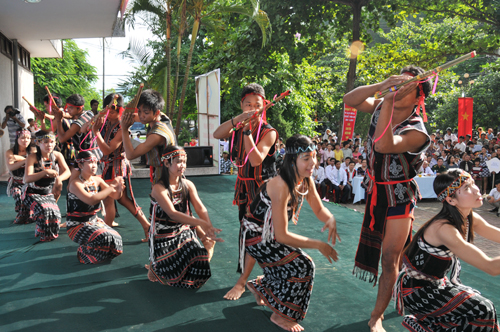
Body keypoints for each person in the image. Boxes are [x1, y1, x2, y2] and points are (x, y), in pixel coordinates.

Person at [343, 65, 431, 332]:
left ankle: (376, 315)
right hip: (374, 191)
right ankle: (411, 280)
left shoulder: (417, 130)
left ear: (419, 97)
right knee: (398, 254)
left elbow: (383, 145)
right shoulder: (382, 104)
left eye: (408, 86)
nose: (400, 88)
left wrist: (388, 98)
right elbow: (350, 100)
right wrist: (382, 85)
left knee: (390, 258)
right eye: (399, 82)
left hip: (399, 197)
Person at [242, 134, 339, 332]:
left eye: (314, 156)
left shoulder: (305, 180)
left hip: (268, 235)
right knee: (303, 265)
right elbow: (282, 236)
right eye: (306, 158)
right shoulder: (281, 185)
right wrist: (319, 244)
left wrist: (330, 218)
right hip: (255, 237)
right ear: (292, 160)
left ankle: (259, 286)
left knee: (288, 262)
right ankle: (280, 316)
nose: (313, 162)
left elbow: (319, 209)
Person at [393, 170, 500, 332]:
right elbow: (491, 267)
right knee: (482, 309)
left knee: (484, 308)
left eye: (473, 184)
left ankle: (430, 326)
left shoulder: (469, 217)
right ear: (451, 200)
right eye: (467, 188)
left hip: (437, 284)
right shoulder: (444, 229)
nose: (477, 189)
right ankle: (428, 325)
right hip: (416, 291)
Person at [213, 83, 278, 301]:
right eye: (247, 104)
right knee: (248, 236)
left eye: (256, 105)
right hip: (244, 189)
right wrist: (239, 120)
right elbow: (217, 133)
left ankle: (243, 283)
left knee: (262, 237)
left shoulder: (269, 132)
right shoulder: (238, 127)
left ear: (264, 106)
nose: (252, 108)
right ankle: (259, 284)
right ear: (241, 105)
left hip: (265, 193)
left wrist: (248, 130)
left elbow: (256, 159)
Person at [146, 146, 223, 287]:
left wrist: (208, 227)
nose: (183, 165)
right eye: (178, 161)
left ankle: (208, 245)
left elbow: (200, 208)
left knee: (199, 264)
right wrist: (200, 223)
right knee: (169, 278)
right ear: (167, 163)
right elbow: (172, 214)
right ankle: (155, 263)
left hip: (183, 230)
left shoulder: (188, 185)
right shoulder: (159, 188)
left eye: (184, 162)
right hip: (164, 235)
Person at [92, 93, 151, 239]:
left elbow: (107, 149)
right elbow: (85, 127)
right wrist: (99, 117)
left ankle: (107, 233)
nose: (110, 113)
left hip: (116, 166)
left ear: (120, 110)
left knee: (113, 199)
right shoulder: (105, 121)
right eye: (108, 110)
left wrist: (96, 132)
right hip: (107, 165)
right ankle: (146, 226)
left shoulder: (122, 126)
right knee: (118, 199)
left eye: (113, 110)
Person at [66, 151, 125, 264]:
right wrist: (112, 185)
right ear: (80, 165)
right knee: (104, 236)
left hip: (93, 221)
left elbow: (115, 195)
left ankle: (98, 253)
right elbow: (92, 200)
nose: (94, 166)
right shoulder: (75, 184)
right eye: (90, 162)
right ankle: (83, 251)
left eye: (95, 162)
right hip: (77, 225)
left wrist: (119, 188)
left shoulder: (97, 180)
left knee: (115, 238)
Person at [121, 89, 176, 185]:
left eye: (146, 112)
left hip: (166, 178)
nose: (142, 115)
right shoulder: (162, 117)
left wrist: (124, 129)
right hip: (165, 174)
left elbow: (130, 155)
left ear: (156, 113)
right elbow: (134, 117)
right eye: (139, 111)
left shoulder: (157, 135)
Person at [23, 131, 70, 241]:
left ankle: (48, 234)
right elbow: (27, 178)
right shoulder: (32, 157)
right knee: (45, 211)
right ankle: (40, 228)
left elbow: (68, 172)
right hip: (32, 192)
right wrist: (45, 172)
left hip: (48, 192)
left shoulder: (57, 155)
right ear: (38, 143)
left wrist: (59, 178)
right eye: (45, 142)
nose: (49, 145)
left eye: (52, 142)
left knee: (55, 215)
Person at [6, 129, 33, 224]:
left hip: (30, 182)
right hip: (16, 182)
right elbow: (11, 166)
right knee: (18, 193)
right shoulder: (10, 152)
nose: (25, 140)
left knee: (28, 194)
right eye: (22, 138)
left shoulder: (34, 150)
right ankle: (23, 213)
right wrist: (27, 160)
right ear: (17, 139)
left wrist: (18, 159)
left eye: (28, 138)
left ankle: (27, 214)